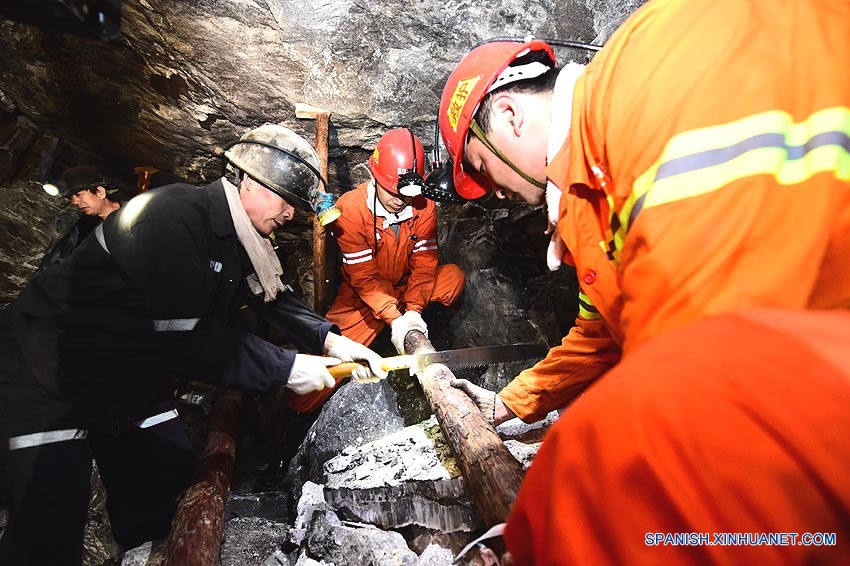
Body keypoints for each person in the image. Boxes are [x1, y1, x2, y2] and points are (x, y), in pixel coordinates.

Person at [437, 0, 850, 561]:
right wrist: (507, 404)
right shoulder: (590, 190)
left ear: (509, 116)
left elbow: (718, 368)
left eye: (482, 171)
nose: (494, 194)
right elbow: (601, 332)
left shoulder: (649, 79)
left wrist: (556, 509)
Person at [0, 123, 386, 564]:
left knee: (164, 481)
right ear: (253, 183)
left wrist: (332, 341)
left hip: (123, 366)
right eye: (287, 200)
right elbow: (186, 335)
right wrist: (286, 368)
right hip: (45, 364)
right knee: (48, 521)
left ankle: (141, 552)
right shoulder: (171, 216)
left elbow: (273, 298)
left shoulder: (243, 241)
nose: (291, 215)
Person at [252, 127, 465, 492]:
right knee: (325, 369)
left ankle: (412, 342)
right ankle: (283, 452)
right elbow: (364, 280)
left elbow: (426, 263)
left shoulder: (423, 205)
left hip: (400, 293)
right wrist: (395, 318)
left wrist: (412, 314)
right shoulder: (350, 211)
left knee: (452, 277)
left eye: (408, 194)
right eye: (395, 193)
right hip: (361, 300)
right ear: (374, 177)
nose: (402, 201)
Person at [38, 165, 127, 270]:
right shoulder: (92, 233)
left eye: (78, 194)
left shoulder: (135, 211)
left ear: (100, 192)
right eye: (71, 198)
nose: (74, 202)